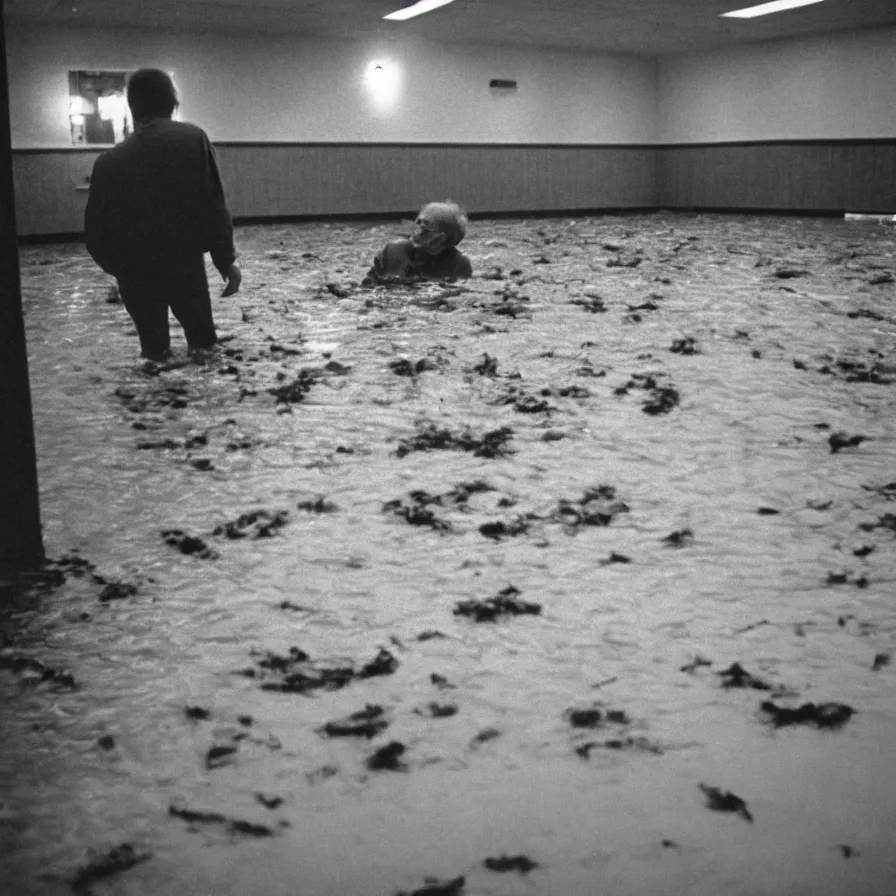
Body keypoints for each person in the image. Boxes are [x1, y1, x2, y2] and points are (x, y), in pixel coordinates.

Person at [85, 68, 241, 361]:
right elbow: (213, 205)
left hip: (135, 271)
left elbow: (95, 232)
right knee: (204, 348)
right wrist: (225, 260)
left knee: (154, 353)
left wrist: (120, 270)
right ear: (172, 102)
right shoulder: (192, 139)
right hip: (184, 264)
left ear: (133, 107)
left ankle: (153, 403)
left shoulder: (108, 161)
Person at [364, 200, 472, 284]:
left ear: (440, 239)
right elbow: (394, 292)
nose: (416, 232)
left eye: (425, 228)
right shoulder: (397, 249)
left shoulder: (459, 264)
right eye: (418, 223)